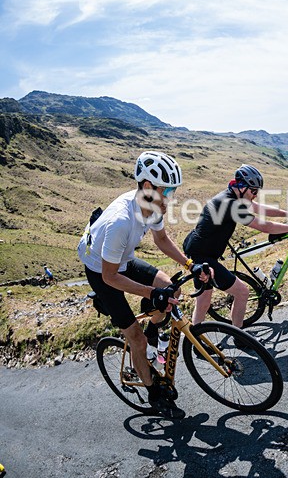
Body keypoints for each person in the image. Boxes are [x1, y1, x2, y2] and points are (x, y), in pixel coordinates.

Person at [78, 151, 206, 419]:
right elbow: (110, 277)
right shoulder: (120, 222)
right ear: (148, 187)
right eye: (168, 190)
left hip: (122, 260)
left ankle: (151, 333)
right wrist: (151, 293)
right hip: (100, 270)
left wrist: (189, 264)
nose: (171, 197)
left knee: (172, 288)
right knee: (134, 337)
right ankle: (153, 392)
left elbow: (162, 240)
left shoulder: (151, 205)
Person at [183, 164, 288, 329]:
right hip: (202, 256)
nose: (255, 195)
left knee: (203, 301)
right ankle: (239, 337)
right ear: (242, 187)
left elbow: (258, 208)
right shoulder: (229, 203)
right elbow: (263, 226)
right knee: (242, 292)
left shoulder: (236, 196)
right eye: (253, 191)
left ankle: (196, 339)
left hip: (202, 251)